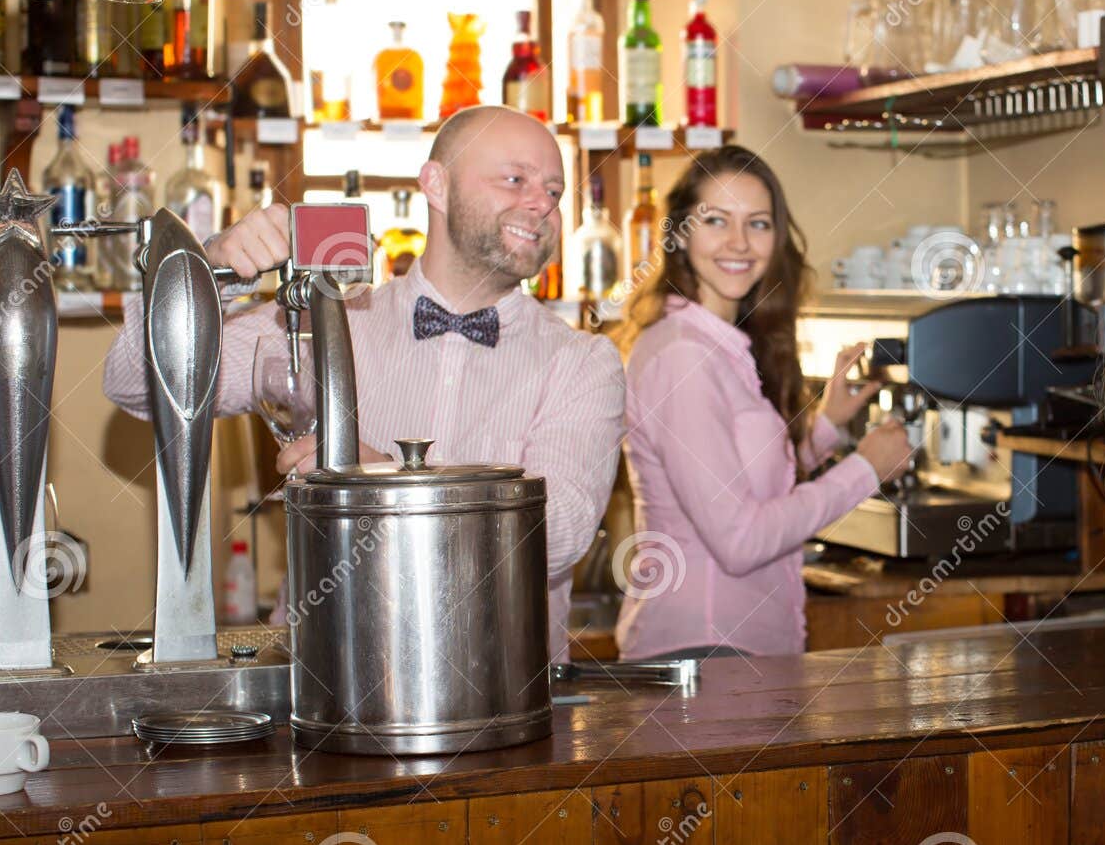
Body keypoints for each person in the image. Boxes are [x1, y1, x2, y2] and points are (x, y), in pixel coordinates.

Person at [103, 105, 623, 663]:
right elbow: (138, 386)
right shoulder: (328, 315)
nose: (541, 203)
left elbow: (558, 534)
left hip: (500, 695)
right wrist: (207, 273)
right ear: (436, 184)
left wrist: (384, 484)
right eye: (515, 179)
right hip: (325, 677)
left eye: (553, 190)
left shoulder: (583, 360)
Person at [612, 145, 912, 659]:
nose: (739, 242)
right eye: (716, 220)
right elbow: (740, 540)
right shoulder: (682, 357)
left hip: (727, 650)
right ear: (680, 234)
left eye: (758, 224)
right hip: (703, 650)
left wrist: (826, 427)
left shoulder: (717, 344)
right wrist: (865, 470)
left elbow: (740, 479)